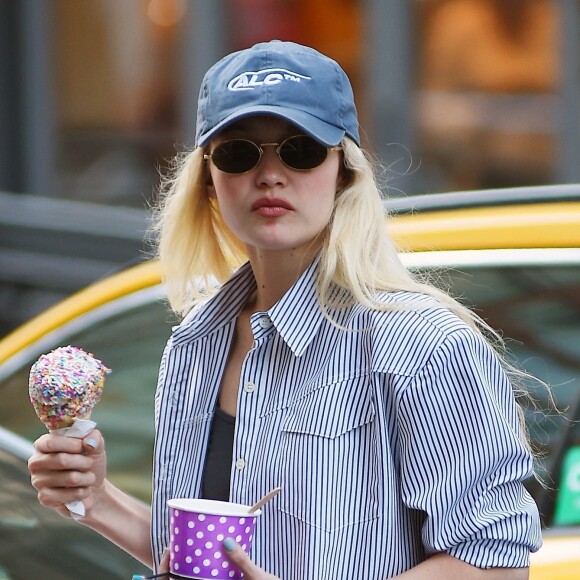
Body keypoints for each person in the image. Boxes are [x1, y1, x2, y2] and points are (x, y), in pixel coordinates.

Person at [28, 40, 542, 579]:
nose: (270, 174)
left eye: (300, 150)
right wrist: (98, 499)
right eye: (239, 152)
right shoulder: (195, 342)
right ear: (209, 180)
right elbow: (207, 559)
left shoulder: (421, 346)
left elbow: (496, 567)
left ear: (343, 172)